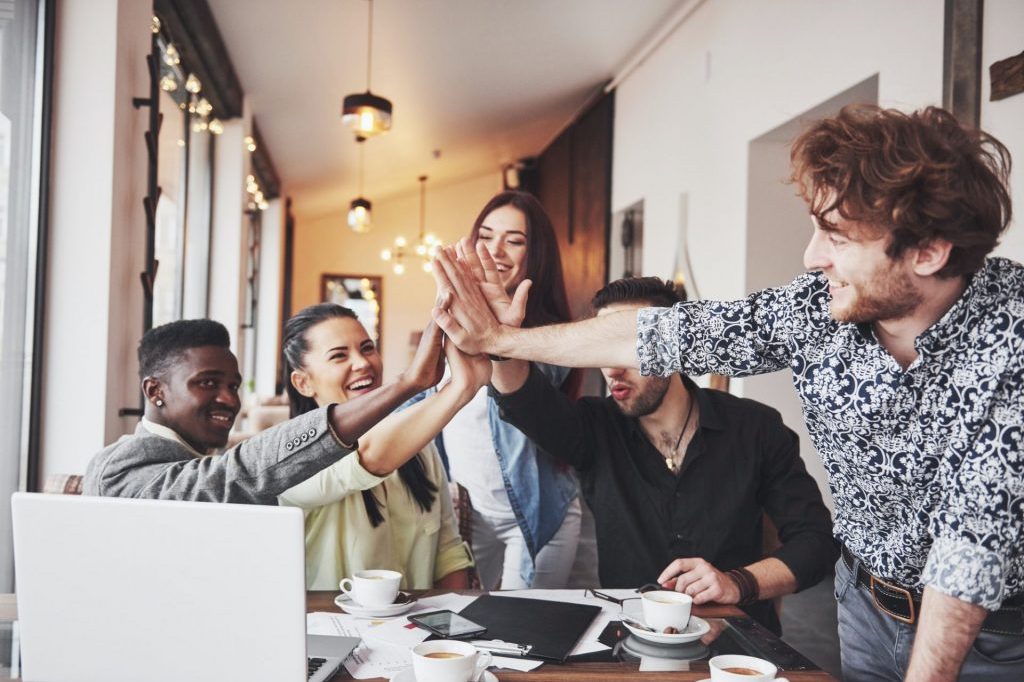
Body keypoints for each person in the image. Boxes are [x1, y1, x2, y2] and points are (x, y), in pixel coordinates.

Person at [432, 105, 1024, 681]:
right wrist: (500, 338)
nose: (811, 256)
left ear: (929, 251)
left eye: (837, 237)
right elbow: (654, 332)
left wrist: (739, 582)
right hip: (864, 605)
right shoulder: (814, 308)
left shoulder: (1010, 338)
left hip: (992, 633)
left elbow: (969, 550)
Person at [486, 274, 835, 633]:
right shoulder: (593, 428)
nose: (612, 368)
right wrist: (502, 342)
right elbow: (524, 400)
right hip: (631, 641)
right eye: (601, 350)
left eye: (627, 348)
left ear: (673, 345)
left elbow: (816, 542)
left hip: (735, 641)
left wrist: (737, 582)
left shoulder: (756, 428)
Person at [413, 190, 582, 590]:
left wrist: (500, 331)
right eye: (486, 236)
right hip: (469, 516)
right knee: (471, 626)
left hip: (538, 517)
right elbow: (424, 406)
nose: (495, 250)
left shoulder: (544, 334)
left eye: (515, 240)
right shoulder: (452, 321)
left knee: (519, 635)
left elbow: (524, 395)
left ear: (535, 254)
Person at [84, 318, 445, 504]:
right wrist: (407, 384)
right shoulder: (121, 467)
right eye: (208, 383)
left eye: (233, 385)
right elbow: (238, 474)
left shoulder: (201, 454)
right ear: (155, 390)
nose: (228, 399)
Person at [277, 304, 484, 590]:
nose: (362, 363)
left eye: (367, 348)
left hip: (416, 627)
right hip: (335, 628)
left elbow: (448, 553)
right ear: (303, 383)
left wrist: (452, 621)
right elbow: (369, 455)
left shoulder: (420, 447)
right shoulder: (290, 461)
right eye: (339, 356)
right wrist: (457, 388)